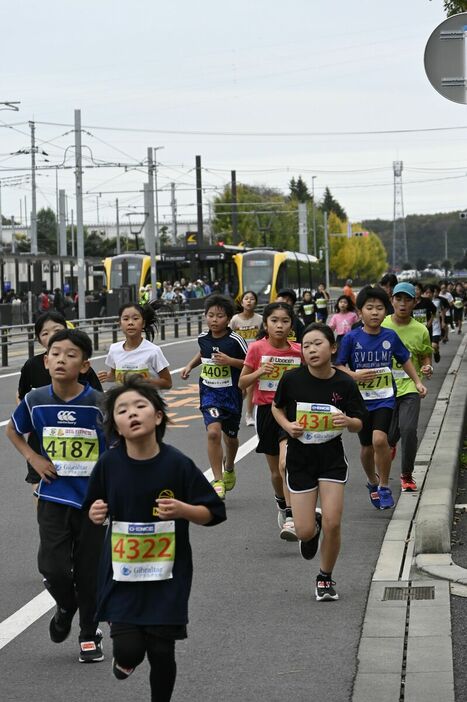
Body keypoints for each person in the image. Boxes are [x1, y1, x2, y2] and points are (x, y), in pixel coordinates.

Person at [85, 376, 226, 701]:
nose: (131, 413)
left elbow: (213, 512)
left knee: (162, 651)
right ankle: (125, 660)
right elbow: (93, 509)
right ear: (115, 425)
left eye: (140, 406)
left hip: (167, 575)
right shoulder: (108, 464)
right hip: (122, 574)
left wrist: (183, 510)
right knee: (130, 649)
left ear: (158, 416)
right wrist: (95, 514)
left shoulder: (176, 464)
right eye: (122, 410)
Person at [6, 329, 107, 662]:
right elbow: (13, 430)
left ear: (85, 365)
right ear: (45, 360)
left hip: (94, 502)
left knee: (89, 570)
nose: (62, 359)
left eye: (71, 354)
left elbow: (120, 447)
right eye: (56, 353)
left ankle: (89, 634)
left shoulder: (98, 403)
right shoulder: (36, 400)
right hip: (54, 496)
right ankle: (66, 605)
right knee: (53, 567)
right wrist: (33, 457)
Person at [272, 323, 366, 601]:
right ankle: (310, 525)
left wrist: (348, 421)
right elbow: (276, 407)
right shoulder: (291, 379)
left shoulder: (344, 383)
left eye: (317, 344)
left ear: (332, 347)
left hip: (331, 459)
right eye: (306, 345)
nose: (311, 350)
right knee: (303, 530)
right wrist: (288, 427)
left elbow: (360, 423)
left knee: (334, 524)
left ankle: (325, 577)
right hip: (300, 459)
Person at [336, 285, 427, 510]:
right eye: (369, 308)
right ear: (360, 312)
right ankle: (372, 481)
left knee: (380, 440)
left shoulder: (390, 335)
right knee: (367, 447)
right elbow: (338, 365)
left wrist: (417, 381)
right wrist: (354, 375)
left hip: (385, 397)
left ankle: (384, 486)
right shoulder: (351, 338)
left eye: (379, 308)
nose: (375, 312)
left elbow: (405, 359)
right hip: (360, 401)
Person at [17, 311, 102, 490]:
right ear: (39, 340)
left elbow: (101, 405)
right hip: (41, 440)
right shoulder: (32, 366)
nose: (51, 336)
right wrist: (32, 455)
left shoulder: (84, 373)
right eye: (44, 333)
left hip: (81, 445)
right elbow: (22, 396)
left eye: (56, 330)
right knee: (40, 492)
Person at [239, 302, 302, 540]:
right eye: (274, 320)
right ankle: (282, 503)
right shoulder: (256, 348)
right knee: (276, 471)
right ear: (265, 323)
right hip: (265, 411)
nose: (279, 325)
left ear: (291, 325)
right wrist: (259, 373)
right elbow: (242, 384)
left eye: (285, 321)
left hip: (291, 412)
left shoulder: (298, 352)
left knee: (287, 465)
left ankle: (291, 517)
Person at [181, 294, 247, 500]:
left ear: (228, 319)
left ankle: (229, 466)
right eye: (210, 315)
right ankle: (218, 481)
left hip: (231, 394)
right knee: (213, 433)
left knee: (232, 438)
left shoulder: (235, 340)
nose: (214, 320)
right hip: (209, 393)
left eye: (219, 316)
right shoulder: (203, 337)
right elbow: (203, 353)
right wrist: (190, 366)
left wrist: (229, 361)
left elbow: (249, 364)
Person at [382, 282, 433, 493]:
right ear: (392, 300)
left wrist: (427, 366)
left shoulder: (420, 329)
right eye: (398, 299)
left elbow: (424, 355)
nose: (402, 304)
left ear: (415, 302)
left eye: (407, 300)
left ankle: (406, 475)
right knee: (387, 436)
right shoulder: (381, 324)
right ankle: (389, 447)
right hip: (384, 388)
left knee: (409, 429)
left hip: (411, 386)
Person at [98, 302, 172, 390]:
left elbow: (168, 383)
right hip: (124, 401)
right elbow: (114, 375)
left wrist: (145, 381)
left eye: (135, 318)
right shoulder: (114, 349)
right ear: (120, 324)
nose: (130, 323)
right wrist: (107, 376)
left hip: (147, 402)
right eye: (125, 319)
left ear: (143, 323)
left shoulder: (153, 351)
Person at [230, 290, 263, 427]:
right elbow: (229, 336)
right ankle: (234, 408)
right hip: (239, 357)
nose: (249, 301)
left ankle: (249, 414)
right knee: (241, 388)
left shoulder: (260, 319)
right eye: (246, 298)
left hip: (255, 356)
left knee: (251, 386)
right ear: (242, 302)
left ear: (256, 302)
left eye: (252, 299)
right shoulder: (235, 320)